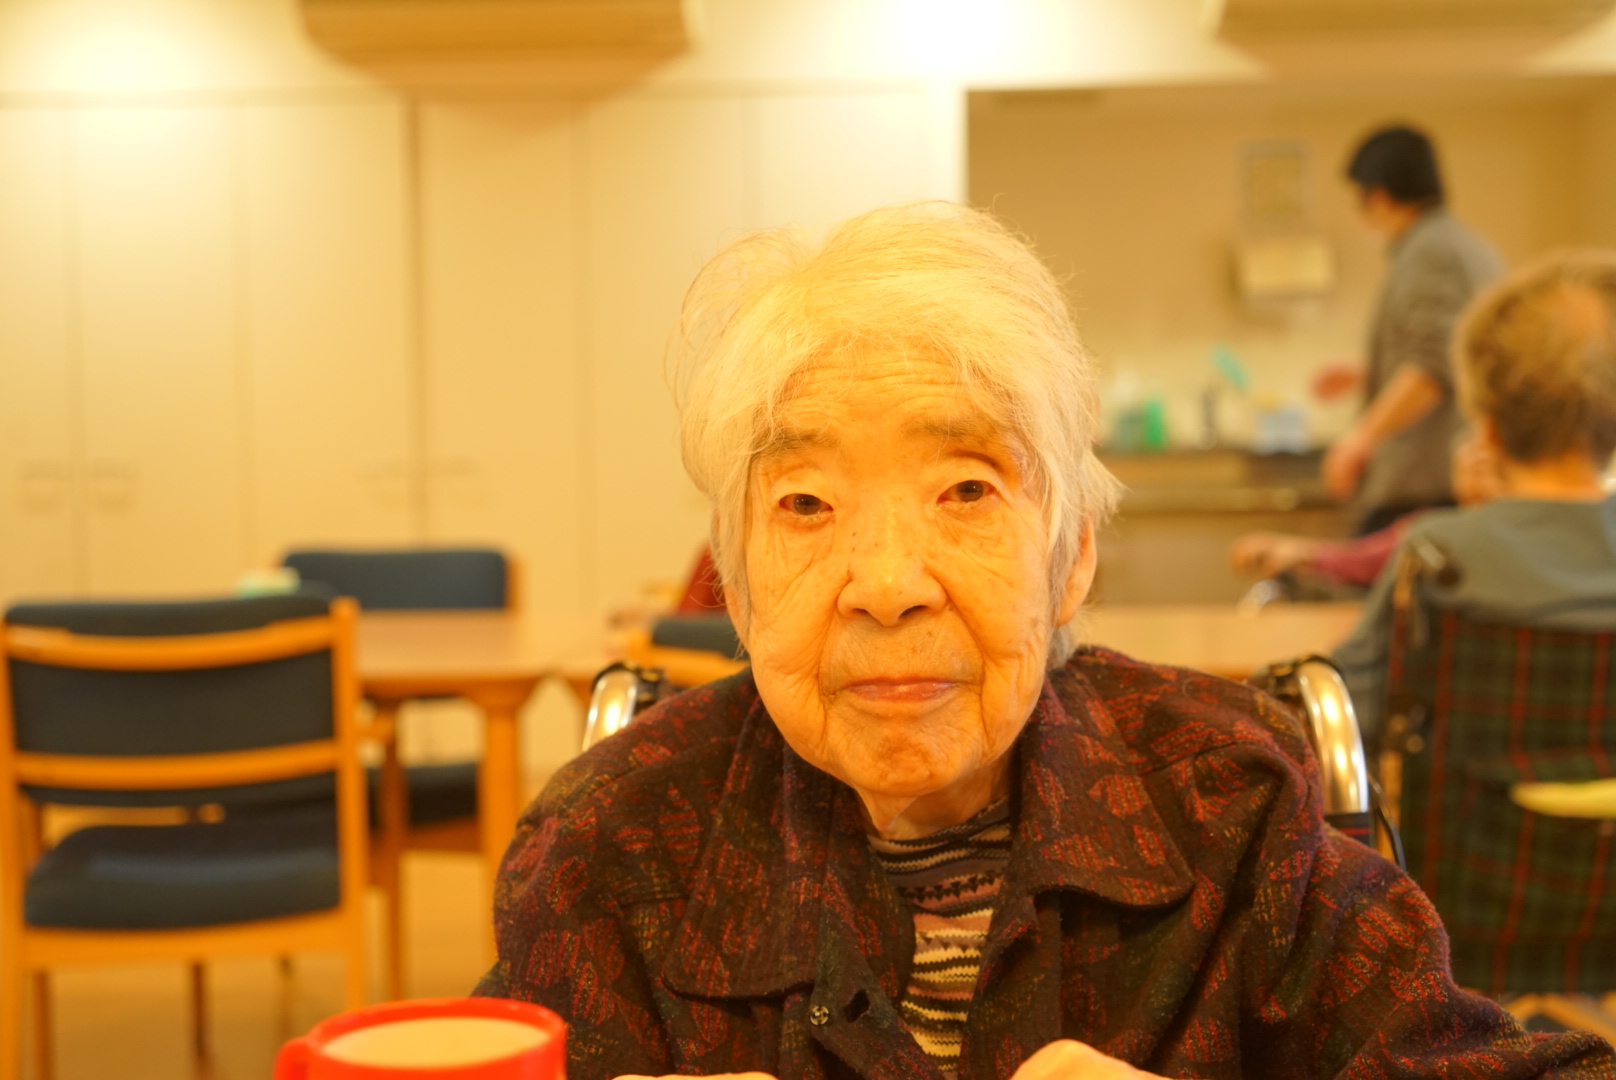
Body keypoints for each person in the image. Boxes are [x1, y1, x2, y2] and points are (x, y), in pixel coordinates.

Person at [477, 204, 1613, 1080]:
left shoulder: (1229, 808)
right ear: (734, 583)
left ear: (1071, 559)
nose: (887, 585)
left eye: (966, 490)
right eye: (805, 504)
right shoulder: (612, 847)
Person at [1337, 249, 1616, 747]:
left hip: (1470, 800)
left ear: (1486, 427)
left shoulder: (1436, 556)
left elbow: (1341, 706)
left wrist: (1479, 526)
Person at [1321, 125, 1503, 535]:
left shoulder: (1429, 252)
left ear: (1378, 196)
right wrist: (1369, 373)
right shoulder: (1467, 245)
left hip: (1426, 484)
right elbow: (1456, 353)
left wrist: (1359, 439)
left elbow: (1433, 365)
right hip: (1452, 477)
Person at [1229, 430, 1504, 588]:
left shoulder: (1439, 533)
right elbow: (1367, 559)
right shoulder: (1429, 530)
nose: (1476, 457)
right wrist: (1300, 551)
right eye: (1471, 450)